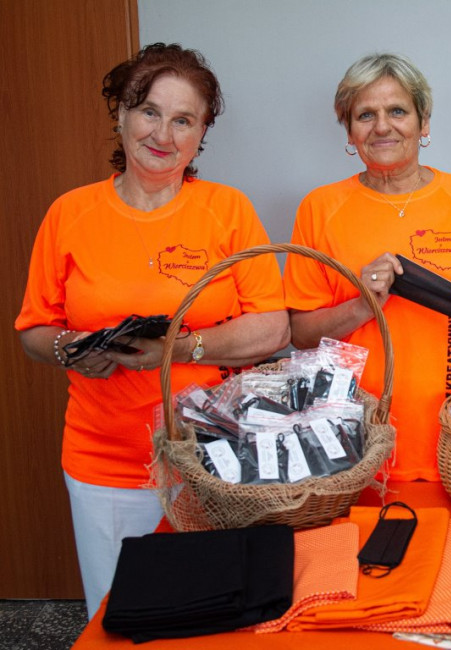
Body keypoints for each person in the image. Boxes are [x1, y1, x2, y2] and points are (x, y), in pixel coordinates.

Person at [15, 43, 289, 618]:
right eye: (149, 111)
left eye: (183, 120)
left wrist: (181, 348)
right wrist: (70, 348)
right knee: (118, 616)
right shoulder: (70, 214)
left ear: (201, 133)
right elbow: (34, 328)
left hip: (214, 459)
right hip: (103, 461)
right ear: (121, 113)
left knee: (210, 615)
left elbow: (273, 328)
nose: (163, 134)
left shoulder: (228, 211)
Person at [283, 53, 451, 482]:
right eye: (366, 115)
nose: (382, 126)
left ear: (424, 124)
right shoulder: (319, 208)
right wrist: (362, 304)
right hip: (355, 440)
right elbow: (300, 335)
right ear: (350, 131)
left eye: (397, 111)